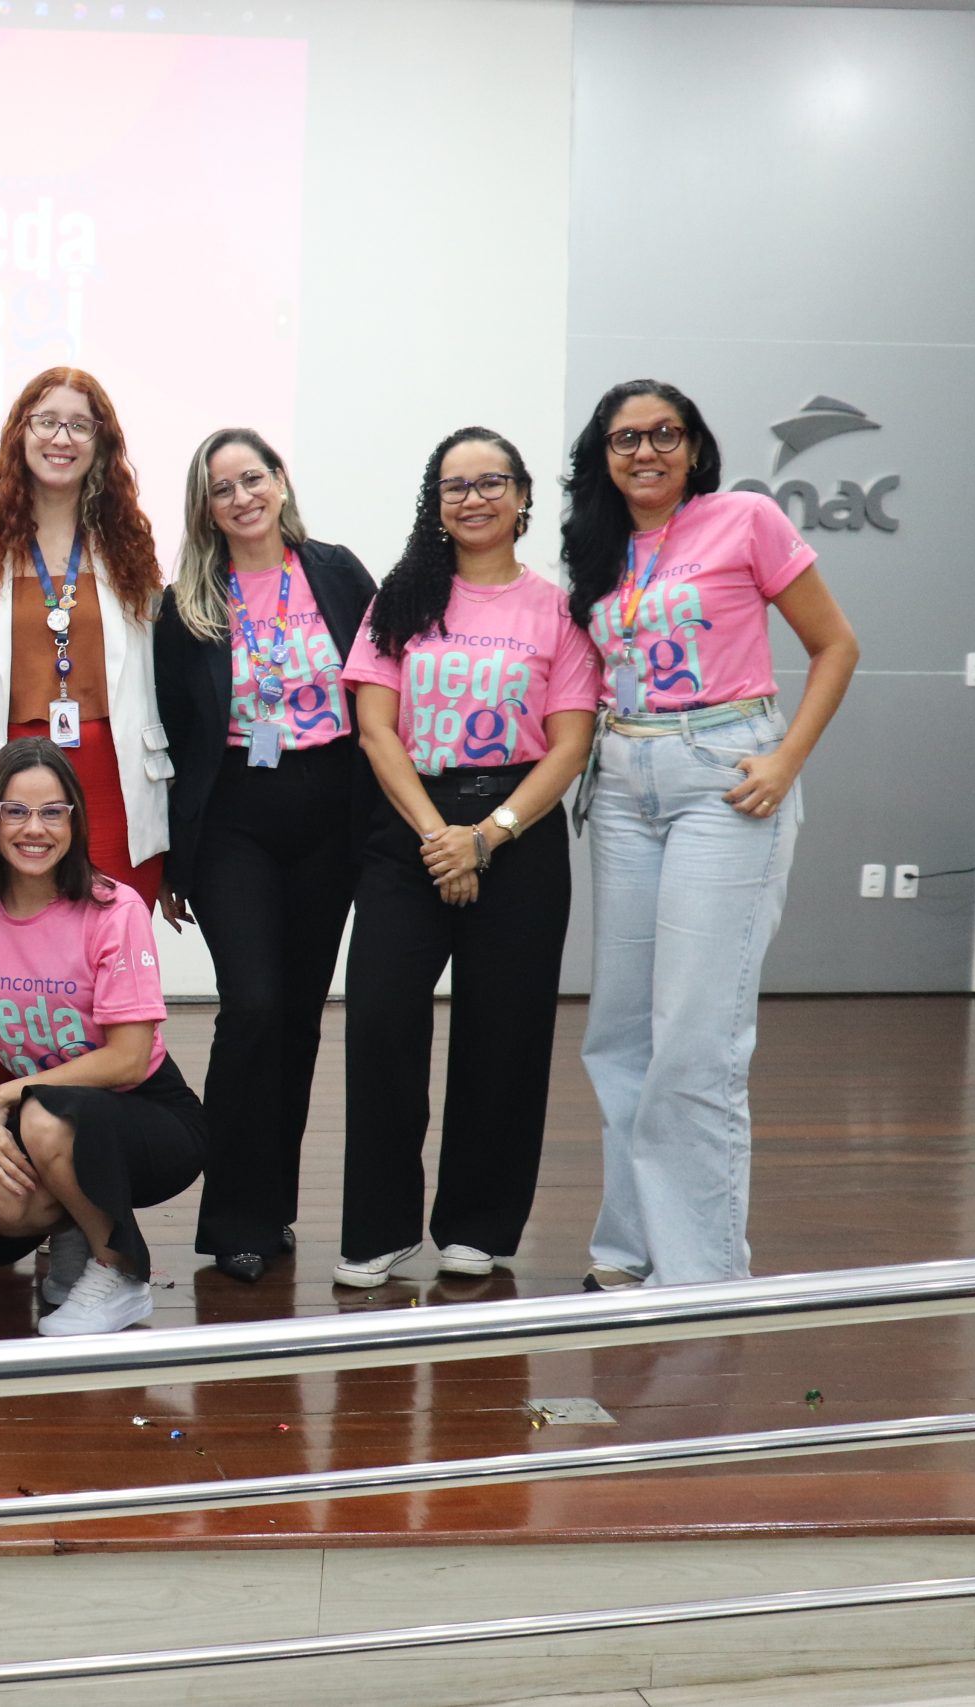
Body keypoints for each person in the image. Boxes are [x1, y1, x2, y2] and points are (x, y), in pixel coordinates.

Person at [565, 381, 858, 1290]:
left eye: (665, 433)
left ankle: (700, 1276)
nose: (645, 451)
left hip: (724, 777)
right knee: (619, 1033)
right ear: (603, 456)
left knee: (696, 1036)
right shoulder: (597, 548)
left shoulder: (746, 518)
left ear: (694, 446)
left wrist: (786, 760)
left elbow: (836, 645)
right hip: (623, 782)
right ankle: (629, 1248)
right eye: (625, 438)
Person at [332, 429, 599, 1287]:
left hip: (517, 829)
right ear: (435, 502)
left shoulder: (559, 610)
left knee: (506, 1033)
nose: (473, 498)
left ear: (522, 497)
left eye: (491, 482)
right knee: (380, 1022)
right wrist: (438, 836)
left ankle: (478, 1223)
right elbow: (376, 729)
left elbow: (570, 742)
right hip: (412, 827)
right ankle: (378, 1228)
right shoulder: (402, 599)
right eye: (455, 485)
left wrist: (487, 835)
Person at [152, 429, 374, 1283]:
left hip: (331, 809)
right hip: (234, 818)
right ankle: (234, 1219)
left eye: (253, 478)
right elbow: (175, 734)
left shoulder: (338, 571)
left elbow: (380, 680)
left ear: (280, 482)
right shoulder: (188, 603)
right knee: (252, 1005)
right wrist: (173, 858)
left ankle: (273, 1203)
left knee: (299, 1015)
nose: (242, 497)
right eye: (222, 488)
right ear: (205, 508)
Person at [0, 738, 209, 1335]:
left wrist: (12, 1093)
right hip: (49, 1115)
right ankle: (78, 1222)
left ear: (75, 821)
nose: (35, 829)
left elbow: (129, 1060)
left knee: (43, 1116)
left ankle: (120, 1271)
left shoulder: (115, 909)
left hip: (148, 1115)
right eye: (16, 811)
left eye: (53, 812)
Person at [0, 368, 173, 911]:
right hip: (11, 783)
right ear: (20, 432)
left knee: (114, 940)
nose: (61, 438)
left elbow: (158, 677)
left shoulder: (129, 546)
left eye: (80, 425)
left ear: (102, 441)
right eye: (46, 421)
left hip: (114, 781)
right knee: (22, 943)